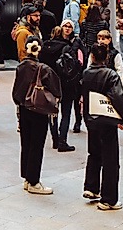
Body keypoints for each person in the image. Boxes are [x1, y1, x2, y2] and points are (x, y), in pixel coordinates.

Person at [81, 43, 123, 211]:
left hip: (91, 119)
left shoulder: (86, 73)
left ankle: (91, 187)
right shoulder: (110, 75)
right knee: (110, 159)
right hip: (107, 120)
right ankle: (108, 199)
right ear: (106, 57)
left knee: (94, 153)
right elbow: (118, 96)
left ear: (92, 56)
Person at [12, 35, 63, 195]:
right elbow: (57, 90)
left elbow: (16, 93)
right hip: (39, 110)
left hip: (24, 109)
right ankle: (34, 181)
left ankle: (27, 178)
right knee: (37, 145)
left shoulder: (21, 67)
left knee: (26, 144)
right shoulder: (43, 68)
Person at [40, 21, 83, 152]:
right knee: (66, 113)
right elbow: (74, 66)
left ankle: (54, 139)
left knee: (52, 113)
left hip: (50, 84)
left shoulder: (45, 47)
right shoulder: (67, 47)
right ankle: (62, 141)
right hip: (66, 84)